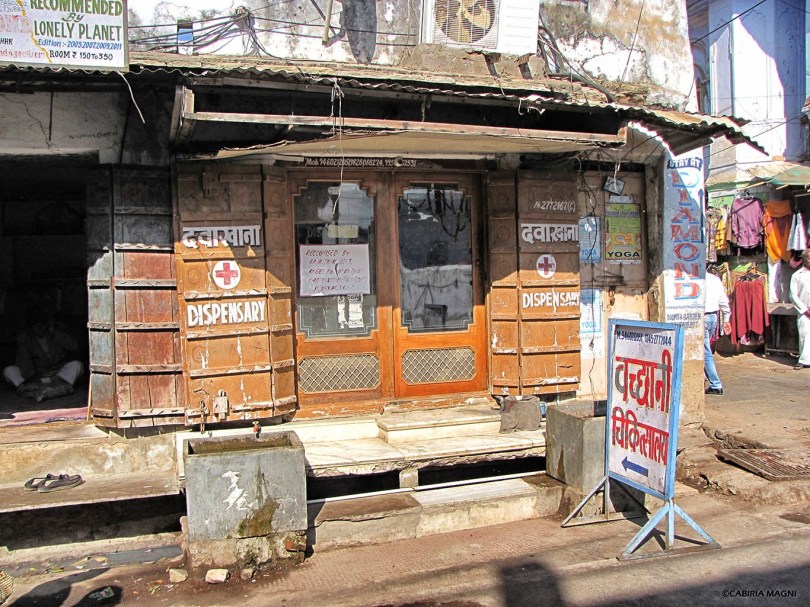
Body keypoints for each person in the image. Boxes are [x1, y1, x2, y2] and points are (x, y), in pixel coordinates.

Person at [2, 308, 83, 400]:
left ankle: (57, 389)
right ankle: (28, 390)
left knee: (77, 365)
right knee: (9, 370)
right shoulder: (26, 338)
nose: (40, 328)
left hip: (57, 375)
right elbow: (23, 363)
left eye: (42, 325)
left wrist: (55, 333)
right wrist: (31, 378)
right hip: (36, 376)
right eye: (36, 326)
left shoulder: (55, 334)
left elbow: (74, 346)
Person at [704, 269, 731, 395]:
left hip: (703, 317)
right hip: (713, 317)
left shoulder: (696, 280)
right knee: (705, 349)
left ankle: (715, 384)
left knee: (705, 352)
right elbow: (724, 301)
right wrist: (726, 319)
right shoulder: (715, 279)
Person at [789, 249, 810, 369]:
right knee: (805, 334)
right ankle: (803, 360)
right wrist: (805, 310)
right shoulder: (797, 275)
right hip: (804, 310)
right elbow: (793, 295)